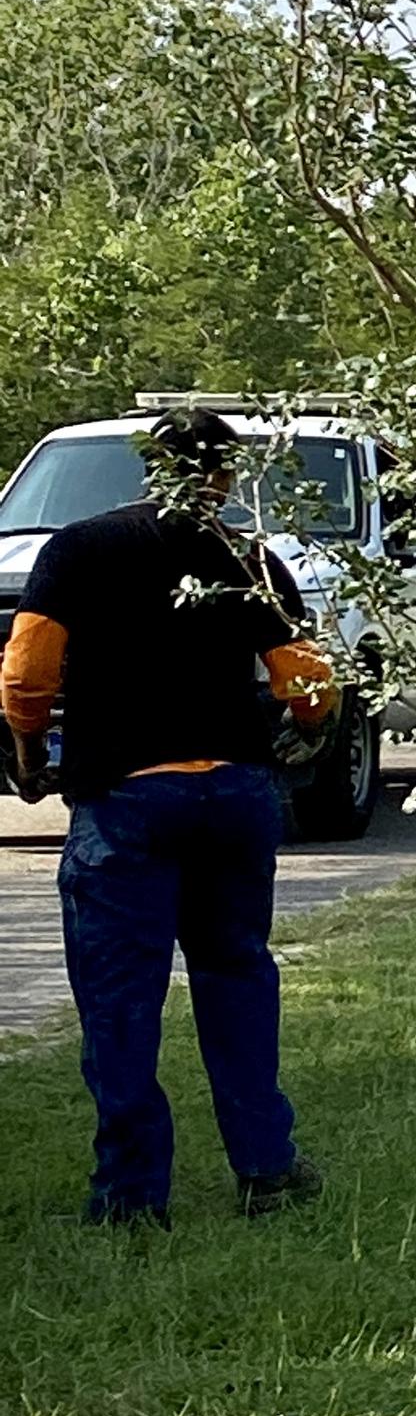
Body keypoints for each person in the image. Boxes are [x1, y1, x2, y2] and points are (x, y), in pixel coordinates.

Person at [0, 409, 337, 1230]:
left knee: (121, 999)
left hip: (126, 801)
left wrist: (28, 751)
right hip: (234, 795)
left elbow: (27, 672)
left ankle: (130, 1197)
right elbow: (308, 684)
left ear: (152, 464)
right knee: (238, 978)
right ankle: (266, 1170)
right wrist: (308, 732)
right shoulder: (249, 556)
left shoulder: (78, 549)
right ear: (227, 473)